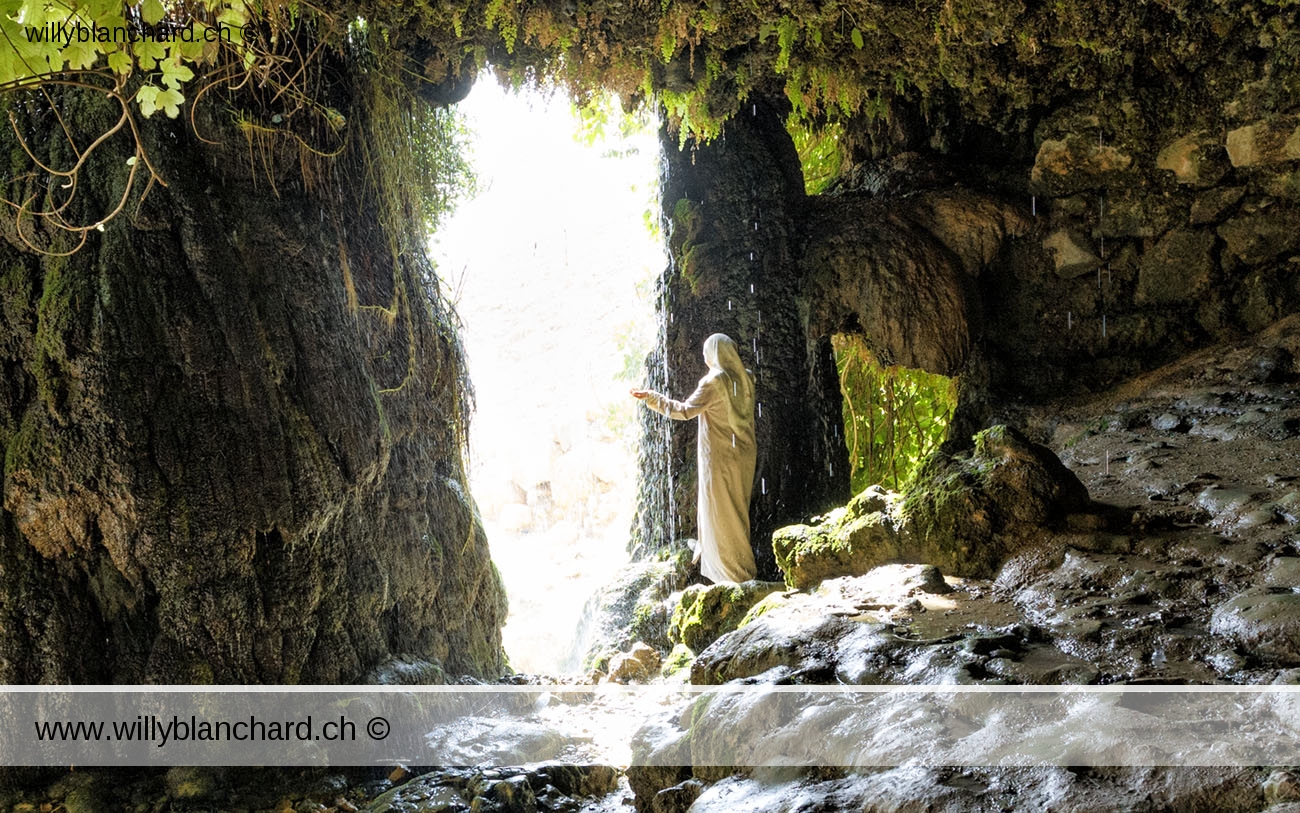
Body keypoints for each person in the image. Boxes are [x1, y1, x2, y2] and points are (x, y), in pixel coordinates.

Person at [632, 333, 758, 583]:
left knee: (722, 515)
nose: (704, 359)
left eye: (705, 354)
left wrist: (652, 398)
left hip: (720, 458)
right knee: (737, 512)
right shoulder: (747, 377)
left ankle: (734, 577)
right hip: (744, 455)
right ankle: (743, 569)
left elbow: (685, 411)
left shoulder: (713, 381)